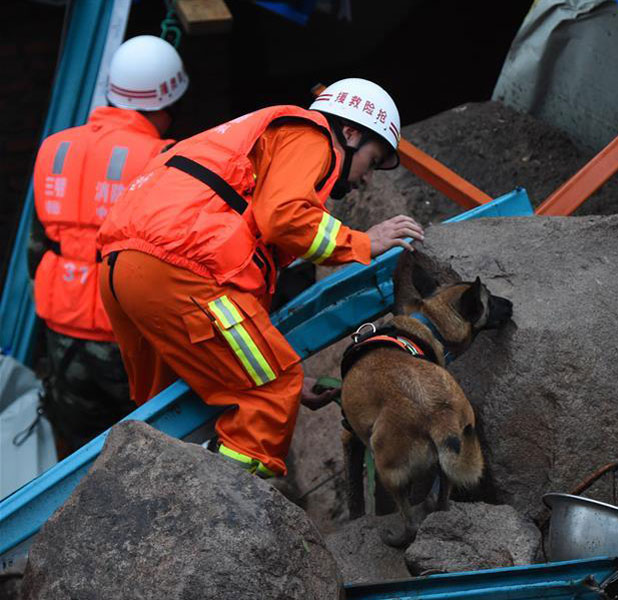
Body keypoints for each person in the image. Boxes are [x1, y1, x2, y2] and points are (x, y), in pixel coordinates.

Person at [96, 78, 425, 478]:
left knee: (169, 409)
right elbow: (283, 218)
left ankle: (150, 502)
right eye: (372, 162)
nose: (366, 179)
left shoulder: (256, 144)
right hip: (180, 270)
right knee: (272, 393)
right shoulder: (313, 136)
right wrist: (363, 241)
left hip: (124, 270)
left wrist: (266, 360)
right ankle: (221, 517)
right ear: (350, 133)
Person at [29, 36, 189, 454]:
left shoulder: (55, 148)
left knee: (78, 455)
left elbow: (36, 246)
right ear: (168, 100)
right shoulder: (164, 158)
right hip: (124, 334)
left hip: (61, 326)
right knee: (144, 449)